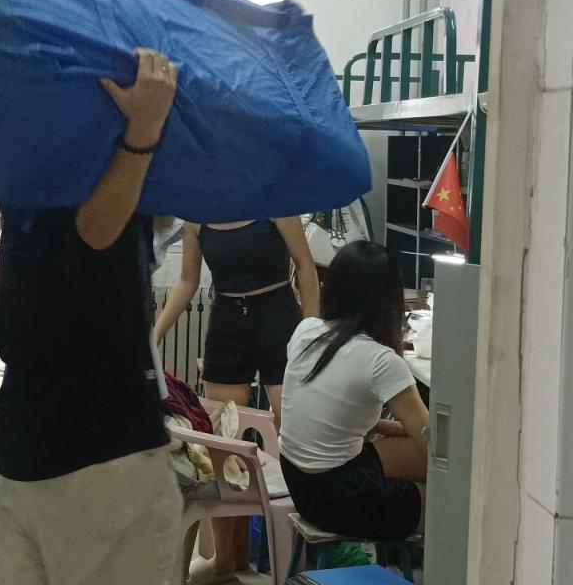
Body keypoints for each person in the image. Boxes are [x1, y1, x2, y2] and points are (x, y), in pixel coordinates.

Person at [0, 49, 183, 585]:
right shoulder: (78, 150)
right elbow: (94, 233)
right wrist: (144, 131)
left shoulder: (28, 156)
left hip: (29, 442)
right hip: (97, 447)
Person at [154, 216, 317, 582]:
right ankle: (230, 559)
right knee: (223, 448)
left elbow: (306, 266)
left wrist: (313, 334)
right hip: (228, 319)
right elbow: (187, 281)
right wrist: (155, 334)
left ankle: (295, 560)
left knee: (293, 433)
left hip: (277, 314)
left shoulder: (274, 200)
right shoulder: (197, 214)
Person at [278, 241, 429, 542]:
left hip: (300, 482)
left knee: (411, 454)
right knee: (445, 492)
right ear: (388, 301)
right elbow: (434, 446)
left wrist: (394, 430)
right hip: (339, 498)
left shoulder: (306, 330)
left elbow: (333, 414)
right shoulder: (380, 361)